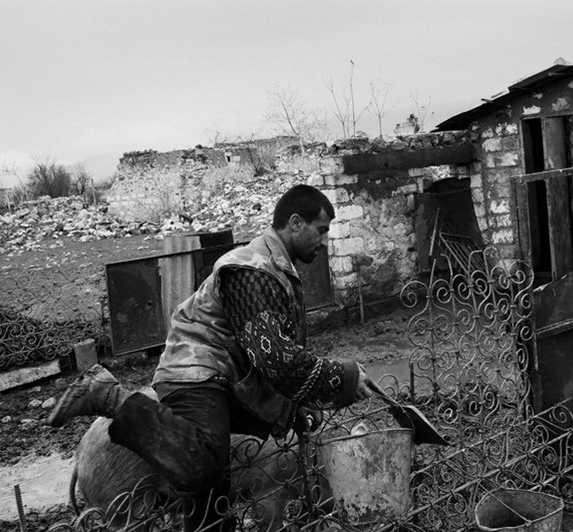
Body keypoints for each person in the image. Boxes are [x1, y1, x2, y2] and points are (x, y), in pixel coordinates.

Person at [48, 184, 373, 532]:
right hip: (196, 369)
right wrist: (346, 377)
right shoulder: (251, 270)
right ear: (295, 222)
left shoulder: (276, 270)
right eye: (322, 230)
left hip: (223, 376)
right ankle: (109, 394)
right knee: (203, 463)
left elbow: (263, 359)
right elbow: (277, 360)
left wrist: (294, 406)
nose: (325, 241)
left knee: (212, 499)